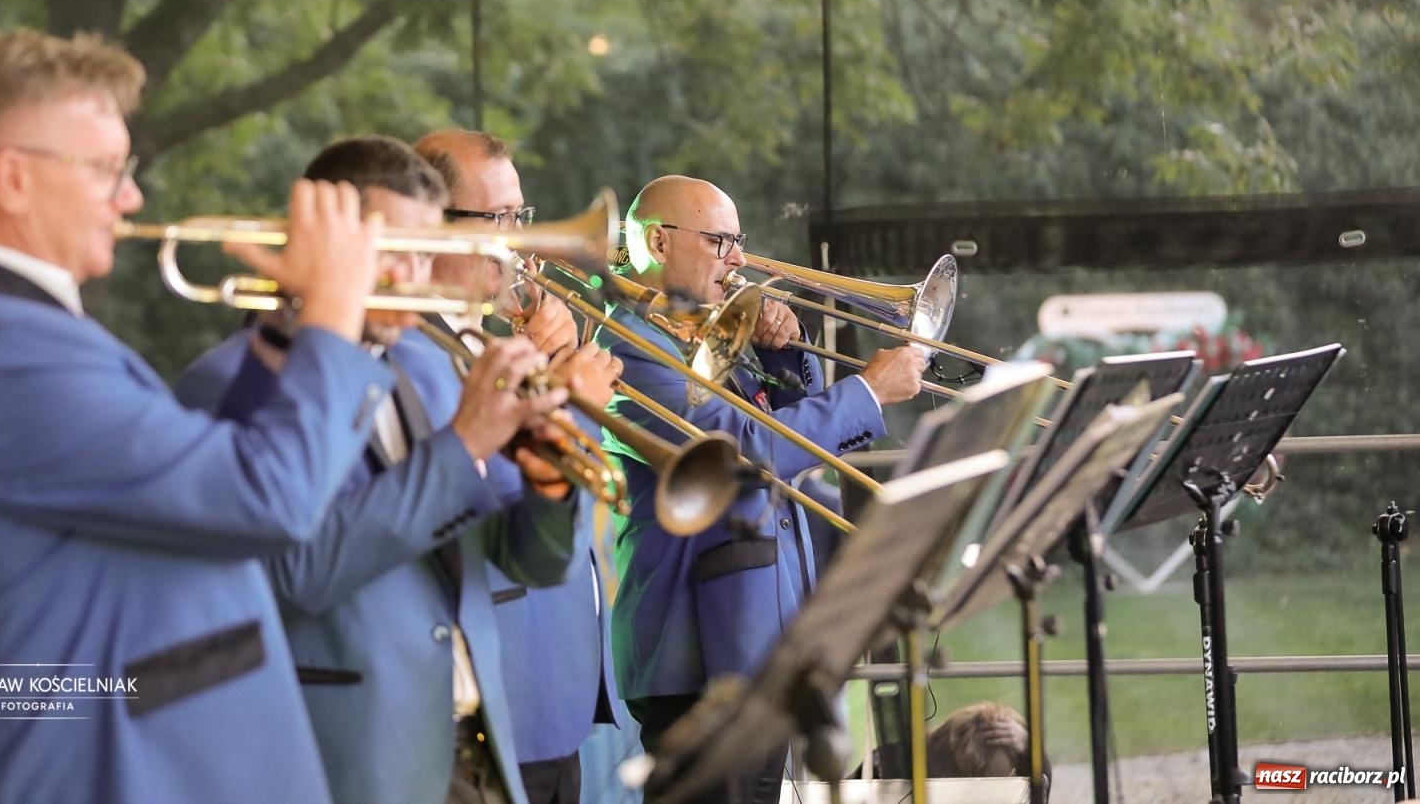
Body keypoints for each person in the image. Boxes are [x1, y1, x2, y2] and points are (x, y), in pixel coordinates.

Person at [0, 28, 388, 804]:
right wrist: (336, 314)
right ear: (12, 179)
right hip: (115, 769)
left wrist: (291, 328)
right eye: (108, 171)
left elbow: (203, 472)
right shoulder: (6, 352)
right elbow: (271, 500)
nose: (131, 197)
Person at [179, 135, 607, 804]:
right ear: (330, 247)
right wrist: (463, 445)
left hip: (481, 749)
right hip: (353, 760)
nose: (417, 272)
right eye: (393, 250)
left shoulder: (425, 368)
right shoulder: (225, 384)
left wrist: (549, 483)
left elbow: (525, 560)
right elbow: (301, 573)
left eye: (422, 248)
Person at [598, 175, 927, 804]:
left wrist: (782, 350)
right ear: (659, 243)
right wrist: (867, 392)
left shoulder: (703, 328)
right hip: (697, 655)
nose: (739, 260)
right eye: (721, 241)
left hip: (753, 649)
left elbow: (788, 436)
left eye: (739, 242)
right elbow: (738, 453)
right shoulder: (631, 345)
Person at [416, 129, 628, 804]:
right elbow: (475, 493)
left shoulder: (485, 338)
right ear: (432, 223)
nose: (521, 241)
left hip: (551, 674)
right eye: (499, 219)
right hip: (498, 681)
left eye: (521, 216)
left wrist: (553, 382)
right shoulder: (415, 348)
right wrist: (563, 398)